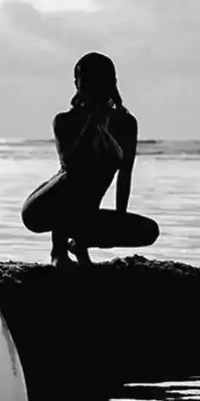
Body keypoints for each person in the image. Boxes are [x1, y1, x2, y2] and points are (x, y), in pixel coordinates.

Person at [21, 52, 159, 266]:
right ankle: (58, 250)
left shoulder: (125, 123)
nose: (85, 87)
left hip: (84, 215)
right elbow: (72, 167)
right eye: (81, 81)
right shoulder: (65, 121)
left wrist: (119, 220)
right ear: (77, 84)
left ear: (109, 83)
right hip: (42, 208)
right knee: (72, 178)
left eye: (93, 81)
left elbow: (125, 173)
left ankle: (79, 243)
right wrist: (93, 124)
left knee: (149, 231)